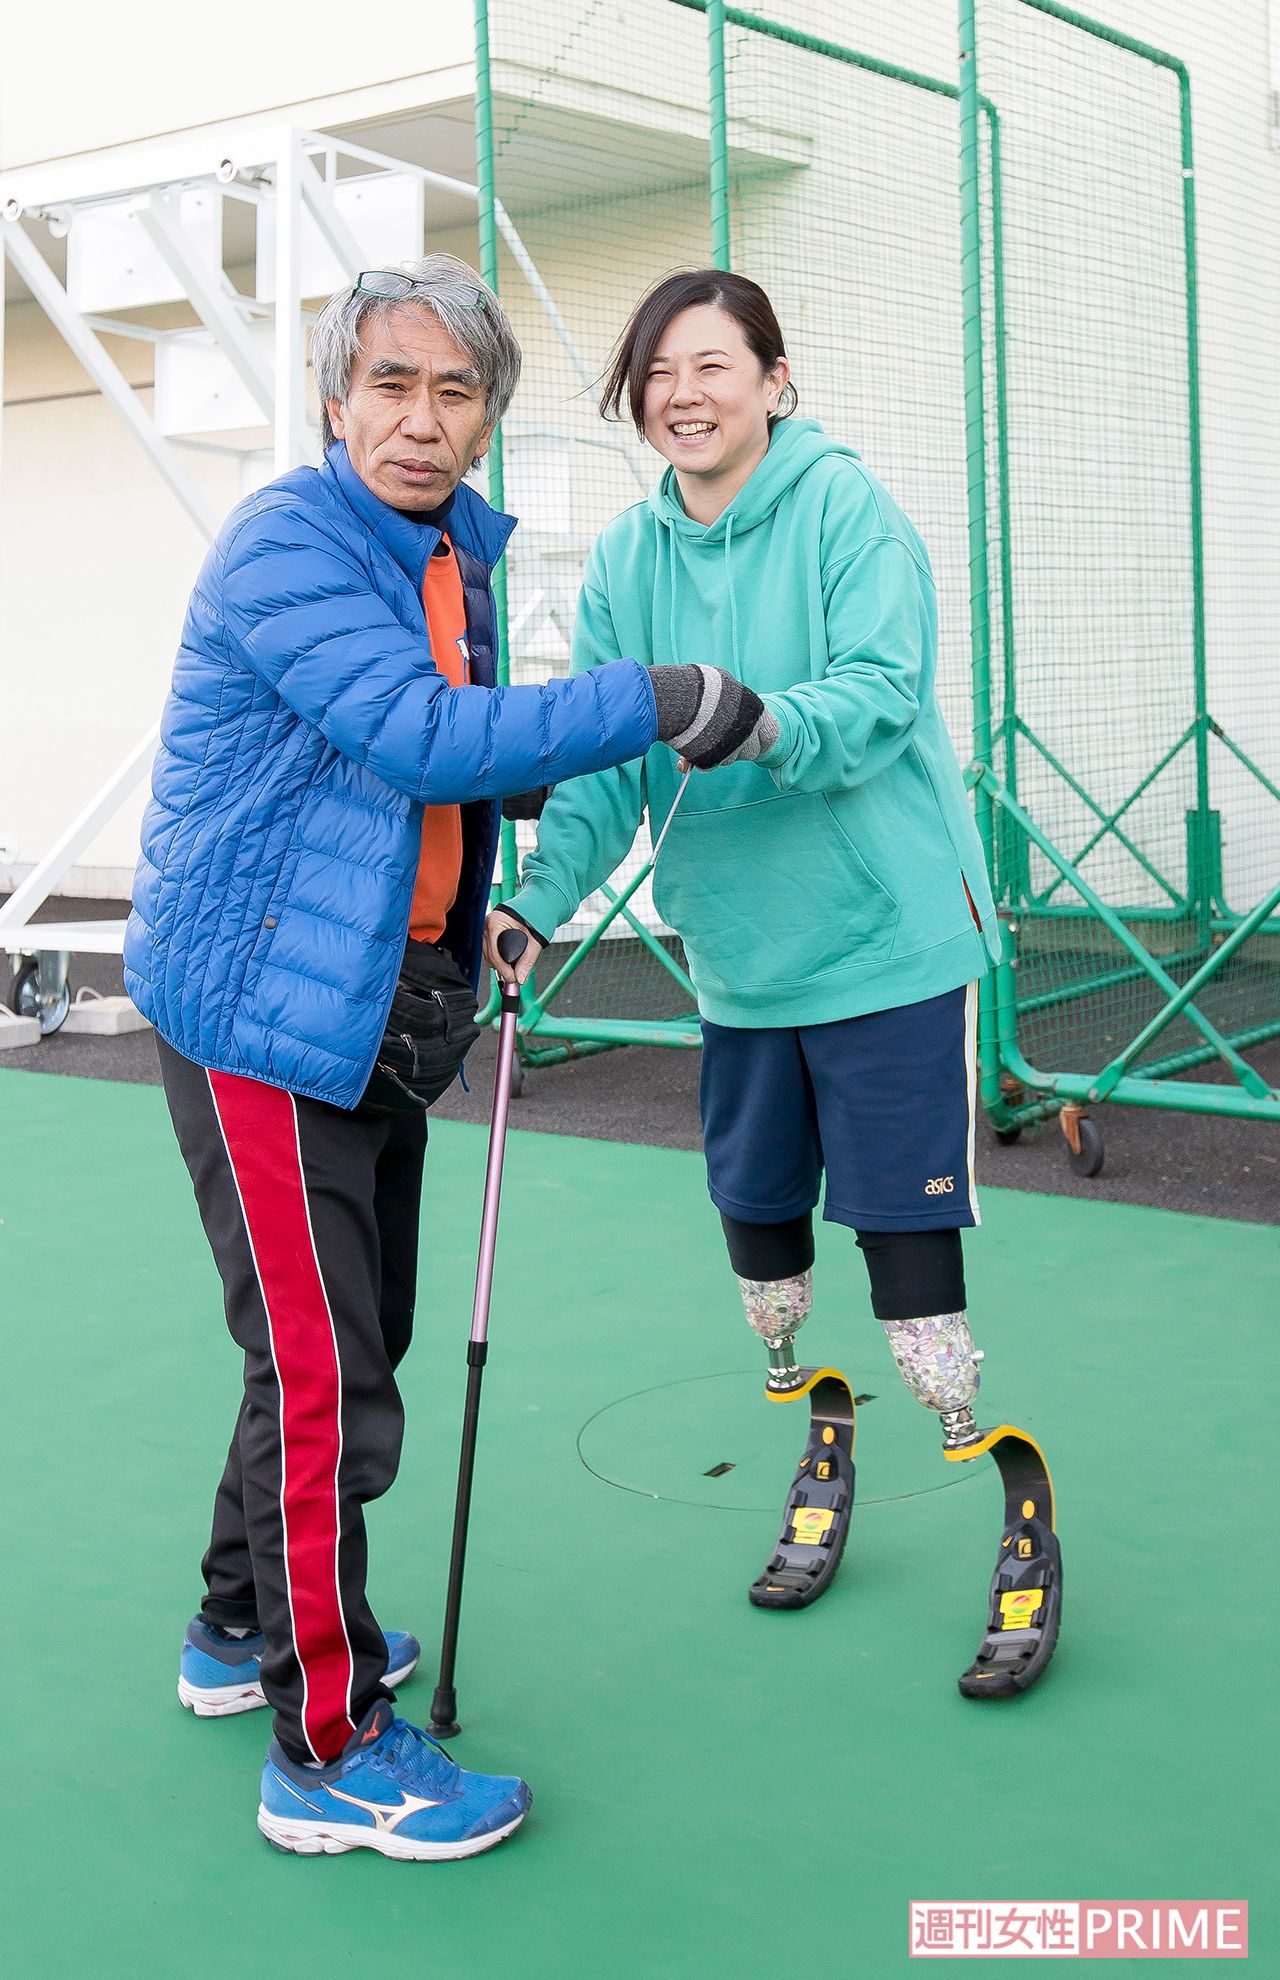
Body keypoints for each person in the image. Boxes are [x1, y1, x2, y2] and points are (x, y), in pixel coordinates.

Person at [124, 255, 768, 1861]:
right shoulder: (291, 542)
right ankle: (326, 1750)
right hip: (260, 1016)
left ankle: (232, 1628)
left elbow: (431, 792)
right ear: (336, 401)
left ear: (489, 416)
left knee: (342, 1341)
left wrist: (473, 909)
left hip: (370, 1004)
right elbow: (414, 734)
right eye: (391, 386)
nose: (422, 419)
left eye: (456, 390)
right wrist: (654, 696)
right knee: (324, 1370)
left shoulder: (449, 551)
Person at [487, 269, 1062, 1696]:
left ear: (774, 379)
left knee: (907, 1265)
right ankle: (822, 1451)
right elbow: (612, 758)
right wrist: (537, 907)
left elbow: (879, 692)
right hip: (741, 963)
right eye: (657, 374)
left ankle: (1019, 1519)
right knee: (764, 1259)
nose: (682, 393)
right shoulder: (628, 558)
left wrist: (752, 721)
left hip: (883, 947)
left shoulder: (843, 509)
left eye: (711, 365)